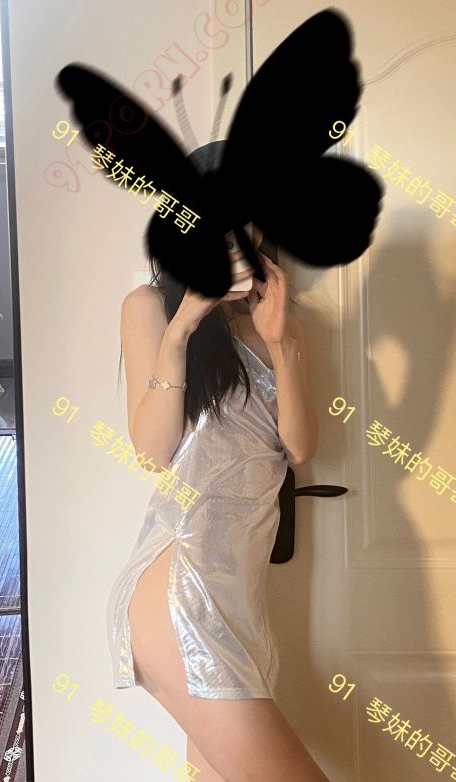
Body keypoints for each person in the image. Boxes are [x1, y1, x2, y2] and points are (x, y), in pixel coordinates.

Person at [107, 225, 328, 781]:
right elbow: (152, 452)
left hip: (242, 600)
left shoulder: (280, 322)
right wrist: (183, 326)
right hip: (182, 591)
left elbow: (300, 449)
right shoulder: (150, 307)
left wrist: (280, 343)